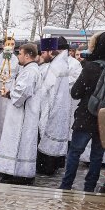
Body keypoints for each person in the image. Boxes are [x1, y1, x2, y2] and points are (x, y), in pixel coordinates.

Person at [59, 31, 105, 192]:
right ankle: (89, 188)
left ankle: (66, 186)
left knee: (75, 152)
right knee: (96, 156)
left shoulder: (92, 66)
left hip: (86, 116)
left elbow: (75, 93)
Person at [0, 43, 42, 184]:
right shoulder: (28, 69)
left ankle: (21, 173)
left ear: (27, 55)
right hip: (20, 113)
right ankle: (11, 170)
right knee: (15, 141)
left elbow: (23, 92)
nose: (18, 56)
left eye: (20, 53)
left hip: (23, 115)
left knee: (21, 142)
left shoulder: (30, 71)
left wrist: (9, 94)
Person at [37, 37, 75, 175]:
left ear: (49, 51)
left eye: (43, 53)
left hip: (52, 106)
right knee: (52, 135)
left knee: (48, 135)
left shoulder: (56, 67)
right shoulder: (59, 63)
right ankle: (50, 166)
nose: (41, 56)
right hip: (59, 106)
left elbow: (46, 89)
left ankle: (47, 167)